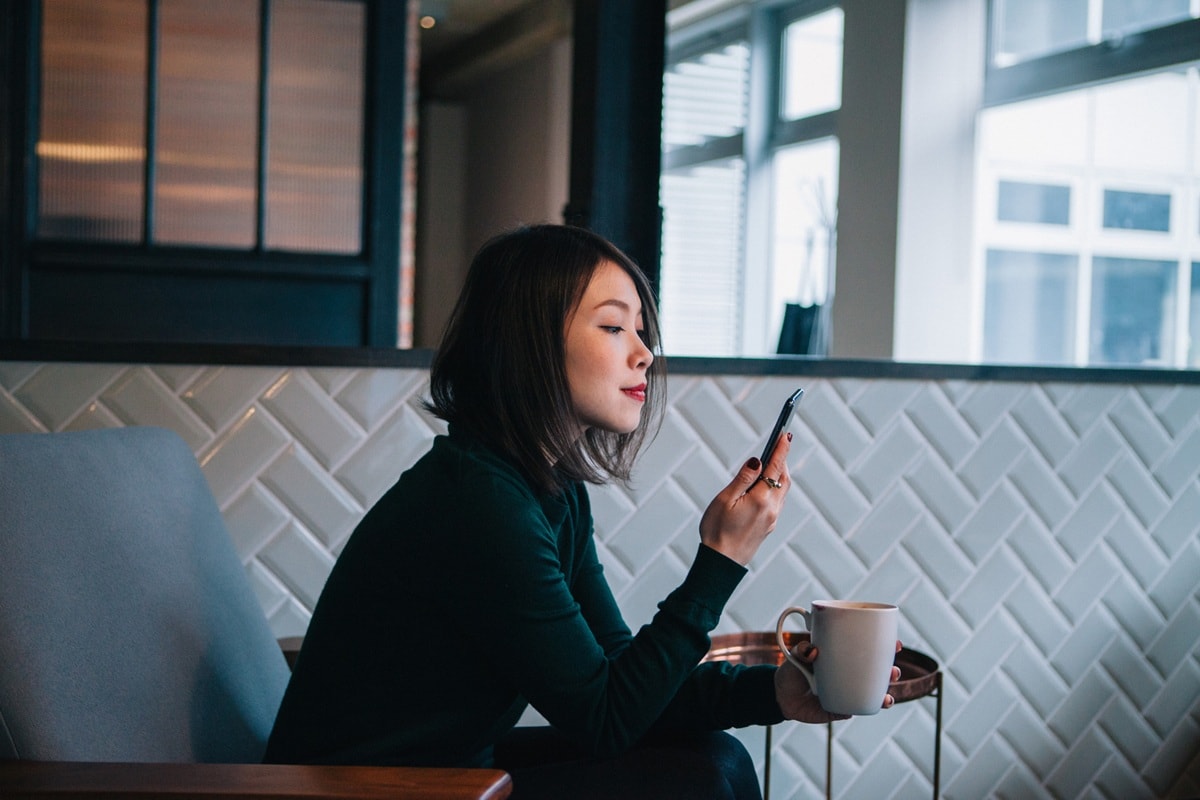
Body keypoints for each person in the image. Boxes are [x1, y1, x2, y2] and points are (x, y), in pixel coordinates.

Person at [263, 224, 897, 799]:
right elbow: (606, 720)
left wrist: (774, 692)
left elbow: (624, 685)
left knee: (716, 758)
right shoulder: (477, 505)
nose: (644, 352)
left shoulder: (549, 491)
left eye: (642, 331)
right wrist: (722, 558)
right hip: (368, 791)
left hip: (449, 772)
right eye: (615, 326)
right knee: (698, 781)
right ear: (531, 341)